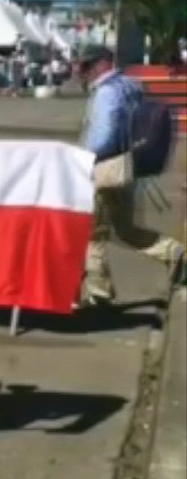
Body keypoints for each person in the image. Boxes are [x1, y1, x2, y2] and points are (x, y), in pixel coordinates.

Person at [77, 46, 185, 305]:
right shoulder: (130, 84)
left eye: (87, 65)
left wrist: (81, 157)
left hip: (105, 168)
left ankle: (99, 291)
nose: (84, 71)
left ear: (104, 63)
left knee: (93, 231)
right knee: (125, 229)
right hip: (128, 165)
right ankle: (174, 252)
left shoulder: (106, 92)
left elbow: (103, 135)